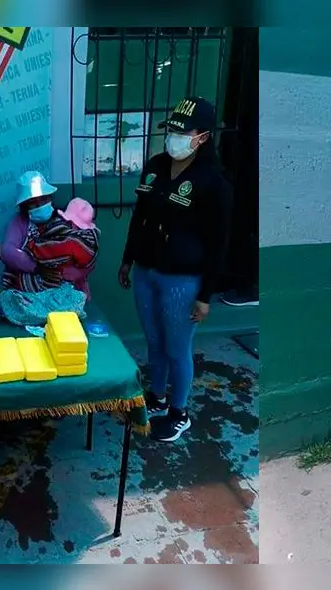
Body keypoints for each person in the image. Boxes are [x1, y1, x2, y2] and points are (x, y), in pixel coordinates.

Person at [118, 96, 233, 442]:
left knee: (177, 347)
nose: (175, 139)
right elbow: (140, 216)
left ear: (204, 137)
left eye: (185, 133)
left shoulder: (215, 182)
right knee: (154, 342)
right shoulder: (155, 165)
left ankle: (179, 412)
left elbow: (219, 243)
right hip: (146, 271)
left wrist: (205, 296)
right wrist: (127, 259)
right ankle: (157, 396)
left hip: (183, 281)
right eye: (173, 131)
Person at [1, 172, 99, 298]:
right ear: (24, 206)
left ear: (50, 197)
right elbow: (8, 251)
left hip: (69, 292)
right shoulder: (19, 222)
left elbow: (88, 254)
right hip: (31, 295)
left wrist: (71, 273)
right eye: (33, 203)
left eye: (43, 200)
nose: (39, 205)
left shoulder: (66, 219)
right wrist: (38, 268)